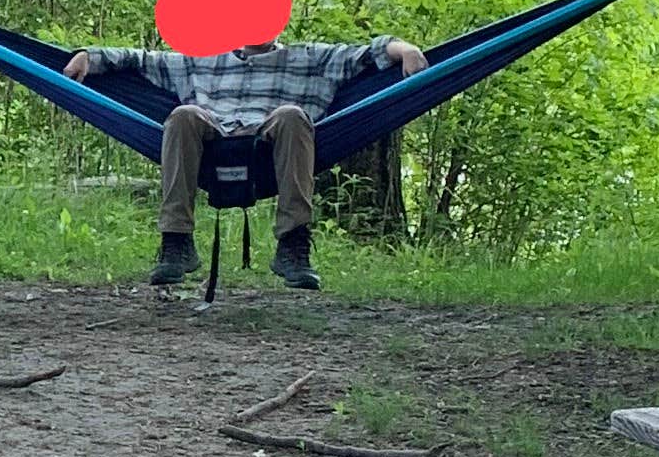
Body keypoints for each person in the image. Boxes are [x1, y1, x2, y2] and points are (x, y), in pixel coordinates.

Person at [61, 25, 427, 290]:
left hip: (273, 148)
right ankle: (176, 243)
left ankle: (293, 244)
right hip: (212, 143)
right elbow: (139, 60)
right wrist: (90, 58)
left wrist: (406, 50)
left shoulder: (312, 59)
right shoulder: (201, 60)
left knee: (292, 115)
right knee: (183, 116)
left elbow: (369, 53)